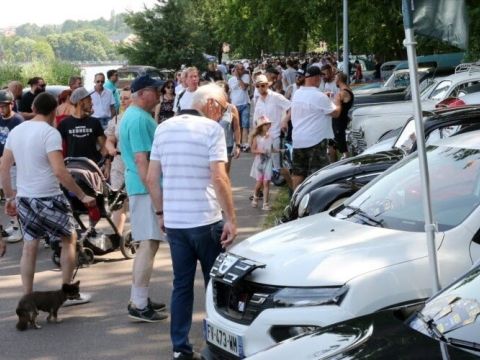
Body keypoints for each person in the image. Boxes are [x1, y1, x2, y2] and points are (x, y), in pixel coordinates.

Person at [146, 83, 237, 360]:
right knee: (215, 285)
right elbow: (219, 178)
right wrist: (231, 218)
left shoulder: (163, 128)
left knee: (182, 285)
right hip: (206, 219)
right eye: (221, 109)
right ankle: (217, 344)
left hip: (175, 222)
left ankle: (180, 348)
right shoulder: (212, 130)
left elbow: (151, 178)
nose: (221, 115)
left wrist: (161, 213)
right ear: (210, 103)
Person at [0, 92, 95, 305]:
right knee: (68, 239)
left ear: (33, 109)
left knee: (29, 246)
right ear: (54, 111)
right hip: (49, 196)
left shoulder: (16, 131)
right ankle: (68, 293)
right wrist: (82, 195)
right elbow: (60, 172)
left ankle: (27, 296)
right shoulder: (50, 133)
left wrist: (9, 197)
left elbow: (3, 166)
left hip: (25, 197)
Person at [119, 75, 167, 323]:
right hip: (144, 188)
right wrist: (156, 197)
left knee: (149, 244)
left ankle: (140, 298)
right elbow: (141, 160)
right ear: (143, 93)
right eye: (156, 91)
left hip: (142, 187)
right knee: (148, 244)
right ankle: (138, 303)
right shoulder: (138, 119)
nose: (160, 94)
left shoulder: (135, 115)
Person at [290, 66, 341, 190]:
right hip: (315, 141)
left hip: (298, 139)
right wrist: (337, 101)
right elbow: (335, 113)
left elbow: (311, 102)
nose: (321, 80)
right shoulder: (319, 96)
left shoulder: (297, 93)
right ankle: (314, 200)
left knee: (298, 173)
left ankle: (294, 199)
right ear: (315, 78)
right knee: (318, 174)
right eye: (320, 77)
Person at [253, 74, 291, 189]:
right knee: (263, 166)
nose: (260, 88)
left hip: (275, 135)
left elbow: (291, 107)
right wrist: (254, 138)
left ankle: (293, 188)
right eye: (258, 86)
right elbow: (256, 121)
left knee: (278, 166)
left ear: (268, 85)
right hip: (263, 138)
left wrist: (284, 121)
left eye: (263, 85)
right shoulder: (258, 101)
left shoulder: (276, 97)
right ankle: (260, 192)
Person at [105, 88, 132, 236]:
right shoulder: (116, 119)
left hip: (134, 161)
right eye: (121, 98)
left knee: (135, 198)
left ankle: (141, 233)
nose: (123, 101)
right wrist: (110, 148)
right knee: (118, 198)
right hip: (119, 161)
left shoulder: (140, 117)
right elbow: (110, 140)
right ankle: (117, 234)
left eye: (126, 98)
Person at [57, 87, 107, 167]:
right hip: (73, 168)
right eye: (89, 100)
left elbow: (104, 146)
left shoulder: (94, 122)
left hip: (93, 168)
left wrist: (107, 165)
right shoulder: (64, 124)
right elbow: (56, 148)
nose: (92, 103)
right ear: (80, 102)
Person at [0, 90, 24, 243]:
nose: (1, 109)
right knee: (8, 194)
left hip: (14, 165)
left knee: (14, 196)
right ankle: (15, 225)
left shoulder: (18, 121)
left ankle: (19, 229)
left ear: (12, 104)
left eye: (3, 106)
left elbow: (20, 146)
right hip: (3, 164)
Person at [250, 116, 276, 211]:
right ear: (261, 126)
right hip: (259, 163)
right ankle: (255, 196)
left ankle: (265, 203)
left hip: (268, 162)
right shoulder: (256, 138)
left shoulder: (271, 137)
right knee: (259, 182)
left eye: (268, 124)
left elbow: (271, 149)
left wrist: (279, 151)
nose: (268, 126)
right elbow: (252, 150)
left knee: (266, 182)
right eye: (265, 124)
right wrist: (260, 151)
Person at [216, 81, 241, 175]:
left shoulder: (232, 108)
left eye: (222, 92)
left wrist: (238, 146)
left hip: (227, 145)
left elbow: (237, 128)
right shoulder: (210, 107)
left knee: (225, 174)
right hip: (212, 145)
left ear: (226, 93)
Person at [228, 63, 250, 151]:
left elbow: (244, 87)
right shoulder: (230, 80)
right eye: (239, 69)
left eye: (242, 69)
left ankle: (244, 144)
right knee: (237, 125)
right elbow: (230, 91)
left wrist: (238, 78)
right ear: (235, 69)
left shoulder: (246, 77)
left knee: (245, 125)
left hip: (245, 103)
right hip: (235, 105)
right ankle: (239, 143)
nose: (241, 71)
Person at [332, 71, 354, 160]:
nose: (334, 80)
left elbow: (337, 111)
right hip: (343, 119)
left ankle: (346, 160)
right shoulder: (349, 90)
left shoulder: (341, 94)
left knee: (342, 145)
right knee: (334, 143)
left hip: (339, 122)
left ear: (338, 80)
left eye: (335, 79)